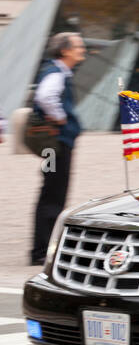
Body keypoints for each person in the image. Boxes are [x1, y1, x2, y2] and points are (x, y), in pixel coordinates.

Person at [30, 32, 87, 265]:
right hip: (55, 144)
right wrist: (60, 117)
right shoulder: (56, 74)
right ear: (65, 51)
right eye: (78, 46)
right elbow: (45, 96)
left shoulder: (59, 72)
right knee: (53, 193)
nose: (82, 49)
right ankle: (41, 251)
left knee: (52, 191)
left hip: (54, 145)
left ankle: (42, 247)